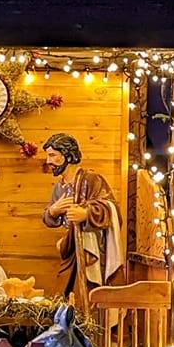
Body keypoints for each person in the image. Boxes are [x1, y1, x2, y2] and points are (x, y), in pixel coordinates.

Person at [39, 132, 121, 313]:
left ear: (68, 155)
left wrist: (86, 213)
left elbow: (111, 208)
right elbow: (49, 218)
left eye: (52, 155)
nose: (48, 161)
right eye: (48, 156)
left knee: (91, 297)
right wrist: (54, 211)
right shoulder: (59, 188)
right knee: (66, 295)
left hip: (93, 252)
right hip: (72, 250)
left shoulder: (92, 180)